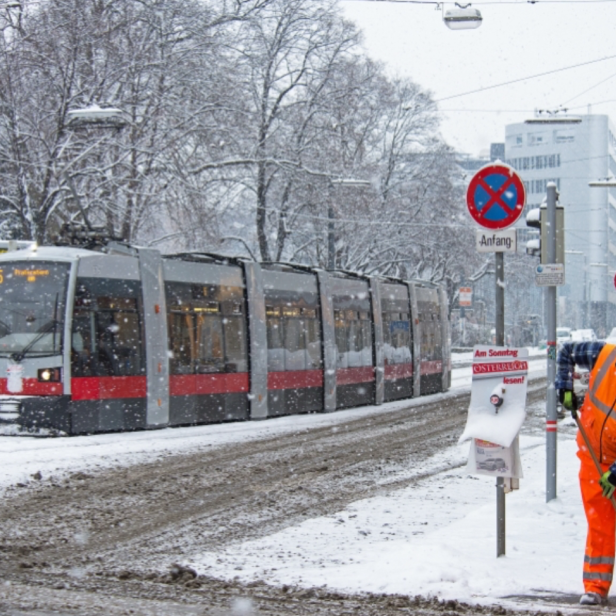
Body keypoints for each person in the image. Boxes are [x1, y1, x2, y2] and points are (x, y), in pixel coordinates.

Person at [556, 339, 616, 606]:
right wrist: (564, 385)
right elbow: (566, 352)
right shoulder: (605, 355)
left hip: (613, 466)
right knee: (600, 526)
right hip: (594, 462)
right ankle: (595, 588)